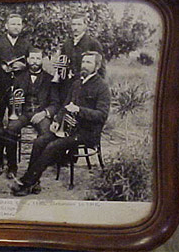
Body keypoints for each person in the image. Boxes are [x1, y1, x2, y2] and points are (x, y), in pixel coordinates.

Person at [11, 51, 111, 196]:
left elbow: (101, 115)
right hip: (68, 128)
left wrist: (78, 109)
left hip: (86, 133)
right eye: (83, 62)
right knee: (39, 142)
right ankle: (34, 181)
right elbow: (65, 105)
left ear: (97, 66)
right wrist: (57, 120)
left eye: (89, 62)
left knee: (52, 146)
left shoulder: (102, 87)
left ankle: (27, 183)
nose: (84, 65)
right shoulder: (77, 83)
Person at [4, 48, 56, 179]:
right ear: (27, 60)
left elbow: (56, 103)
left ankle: (33, 170)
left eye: (38, 59)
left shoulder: (50, 79)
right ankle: (12, 166)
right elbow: (11, 99)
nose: (35, 62)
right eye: (32, 58)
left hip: (41, 113)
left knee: (46, 135)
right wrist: (13, 101)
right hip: (23, 113)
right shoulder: (18, 78)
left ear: (42, 60)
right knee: (10, 129)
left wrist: (44, 113)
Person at [0, 13, 33, 118]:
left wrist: (24, 65)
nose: (16, 27)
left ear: (22, 27)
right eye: (13, 24)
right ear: (6, 26)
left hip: (19, 84)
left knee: (17, 116)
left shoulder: (26, 43)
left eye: (18, 24)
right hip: (1, 83)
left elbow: (32, 61)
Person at [61, 12, 105, 78]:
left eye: (79, 24)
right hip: (68, 84)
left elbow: (101, 69)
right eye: (73, 24)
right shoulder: (67, 44)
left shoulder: (93, 43)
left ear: (85, 26)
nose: (76, 28)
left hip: (86, 84)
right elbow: (62, 66)